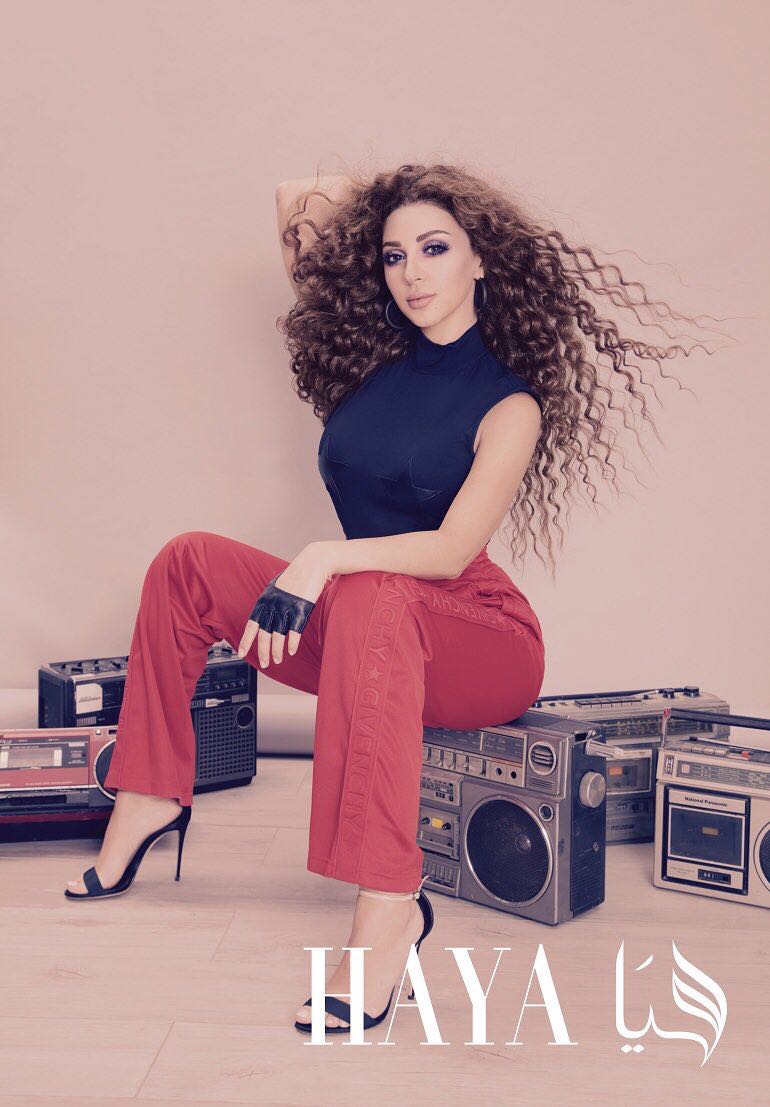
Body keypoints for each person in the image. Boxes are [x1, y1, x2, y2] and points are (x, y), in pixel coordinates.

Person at [64, 161, 704, 1034]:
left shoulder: (509, 403)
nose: (412, 272)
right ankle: (149, 794)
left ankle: (390, 905)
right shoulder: (367, 362)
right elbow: (299, 210)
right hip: (368, 621)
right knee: (188, 563)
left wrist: (324, 557)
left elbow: (450, 549)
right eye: (394, 254)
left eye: (436, 248)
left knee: (371, 594)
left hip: (476, 633)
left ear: (483, 258)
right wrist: (377, 202)